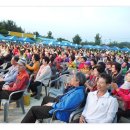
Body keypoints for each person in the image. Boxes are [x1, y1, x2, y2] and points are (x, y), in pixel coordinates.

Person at [21, 72, 87, 123]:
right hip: (60, 101)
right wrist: (67, 88)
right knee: (46, 98)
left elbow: (65, 105)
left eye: (73, 78)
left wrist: (52, 104)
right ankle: (41, 116)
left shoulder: (78, 94)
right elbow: (66, 96)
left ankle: (38, 114)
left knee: (33, 110)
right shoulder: (76, 88)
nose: (71, 79)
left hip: (60, 112)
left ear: (77, 81)